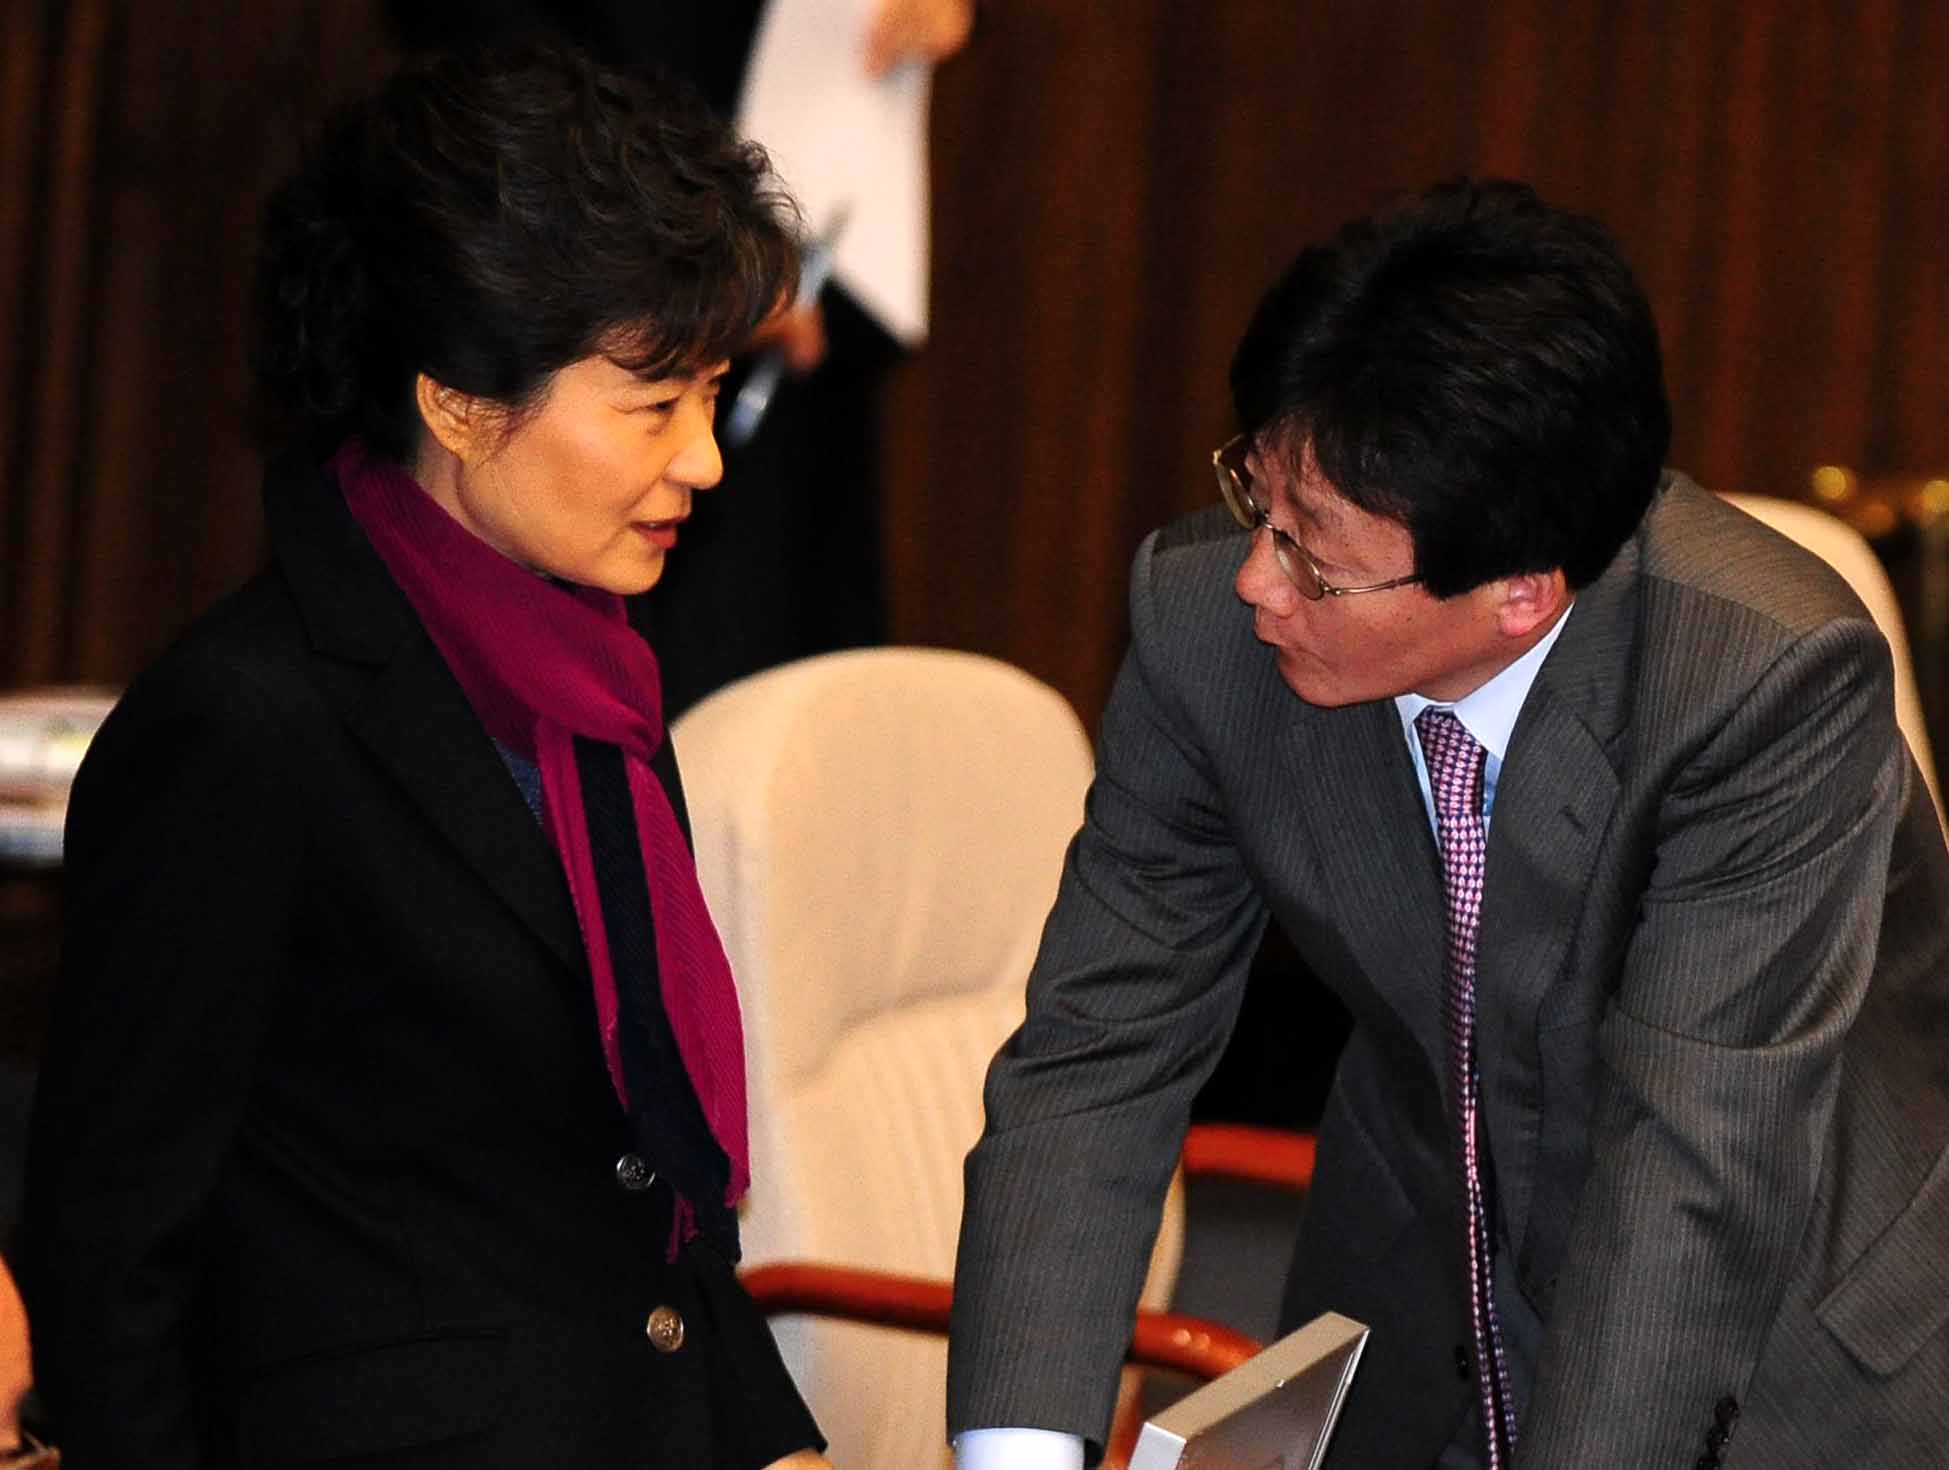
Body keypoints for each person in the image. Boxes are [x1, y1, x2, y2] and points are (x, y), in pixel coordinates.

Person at [946, 179, 1949, 1468]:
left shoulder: (1757, 683)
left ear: (1521, 590)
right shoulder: (1207, 630)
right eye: (1259, 498)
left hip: (1780, 1348)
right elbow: (1099, 1052)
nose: (1257, 580)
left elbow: (1691, 1171)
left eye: (1315, 556)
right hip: (1421, 1303)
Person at [24, 41, 831, 1469]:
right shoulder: (242, 722)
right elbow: (111, 1256)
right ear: (458, 402)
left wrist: (774, 1440)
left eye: (714, 393)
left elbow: (641, 1173)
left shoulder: (587, 671)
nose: (705, 459)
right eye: (655, 405)